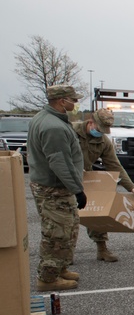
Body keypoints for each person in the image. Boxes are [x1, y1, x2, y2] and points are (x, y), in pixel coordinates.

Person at [26, 85, 87, 291]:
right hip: (55, 188)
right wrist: (77, 189)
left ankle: (59, 268)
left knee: (68, 229)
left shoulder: (45, 118)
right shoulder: (54, 127)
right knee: (57, 234)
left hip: (55, 186)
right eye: (72, 99)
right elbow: (59, 162)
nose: (75, 103)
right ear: (62, 101)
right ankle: (48, 278)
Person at [72, 109, 134, 263]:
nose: (101, 133)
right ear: (91, 122)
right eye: (99, 129)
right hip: (66, 178)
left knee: (96, 211)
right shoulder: (70, 132)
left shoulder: (104, 141)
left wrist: (132, 187)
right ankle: (65, 254)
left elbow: (114, 165)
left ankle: (102, 249)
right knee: (68, 217)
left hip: (87, 177)